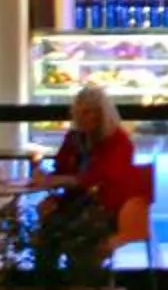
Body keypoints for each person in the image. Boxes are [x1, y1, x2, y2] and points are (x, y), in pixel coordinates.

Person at [45, 84, 145, 219]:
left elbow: (101, 179)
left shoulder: (118, 141)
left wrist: (61, 180)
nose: (85, 117)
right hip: (76, 202)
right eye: (80, 112)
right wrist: (45, 177)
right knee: (45, 208)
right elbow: (60, 168)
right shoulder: (74, 138)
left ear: (103, 114)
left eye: (91, 112)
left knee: (65, 224)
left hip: (108, 206)